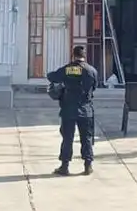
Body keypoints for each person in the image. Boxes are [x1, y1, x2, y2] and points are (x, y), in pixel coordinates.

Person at [47, 44, 98, 176]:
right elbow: (95, 87)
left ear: (73, 55)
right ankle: (88, 166)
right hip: (86, 110)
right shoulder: (91, 71)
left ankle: (64, 166)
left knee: (67, 138)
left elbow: (52, 77)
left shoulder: (67, 69)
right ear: (84, 56)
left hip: (69, 109)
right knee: (86, 137)